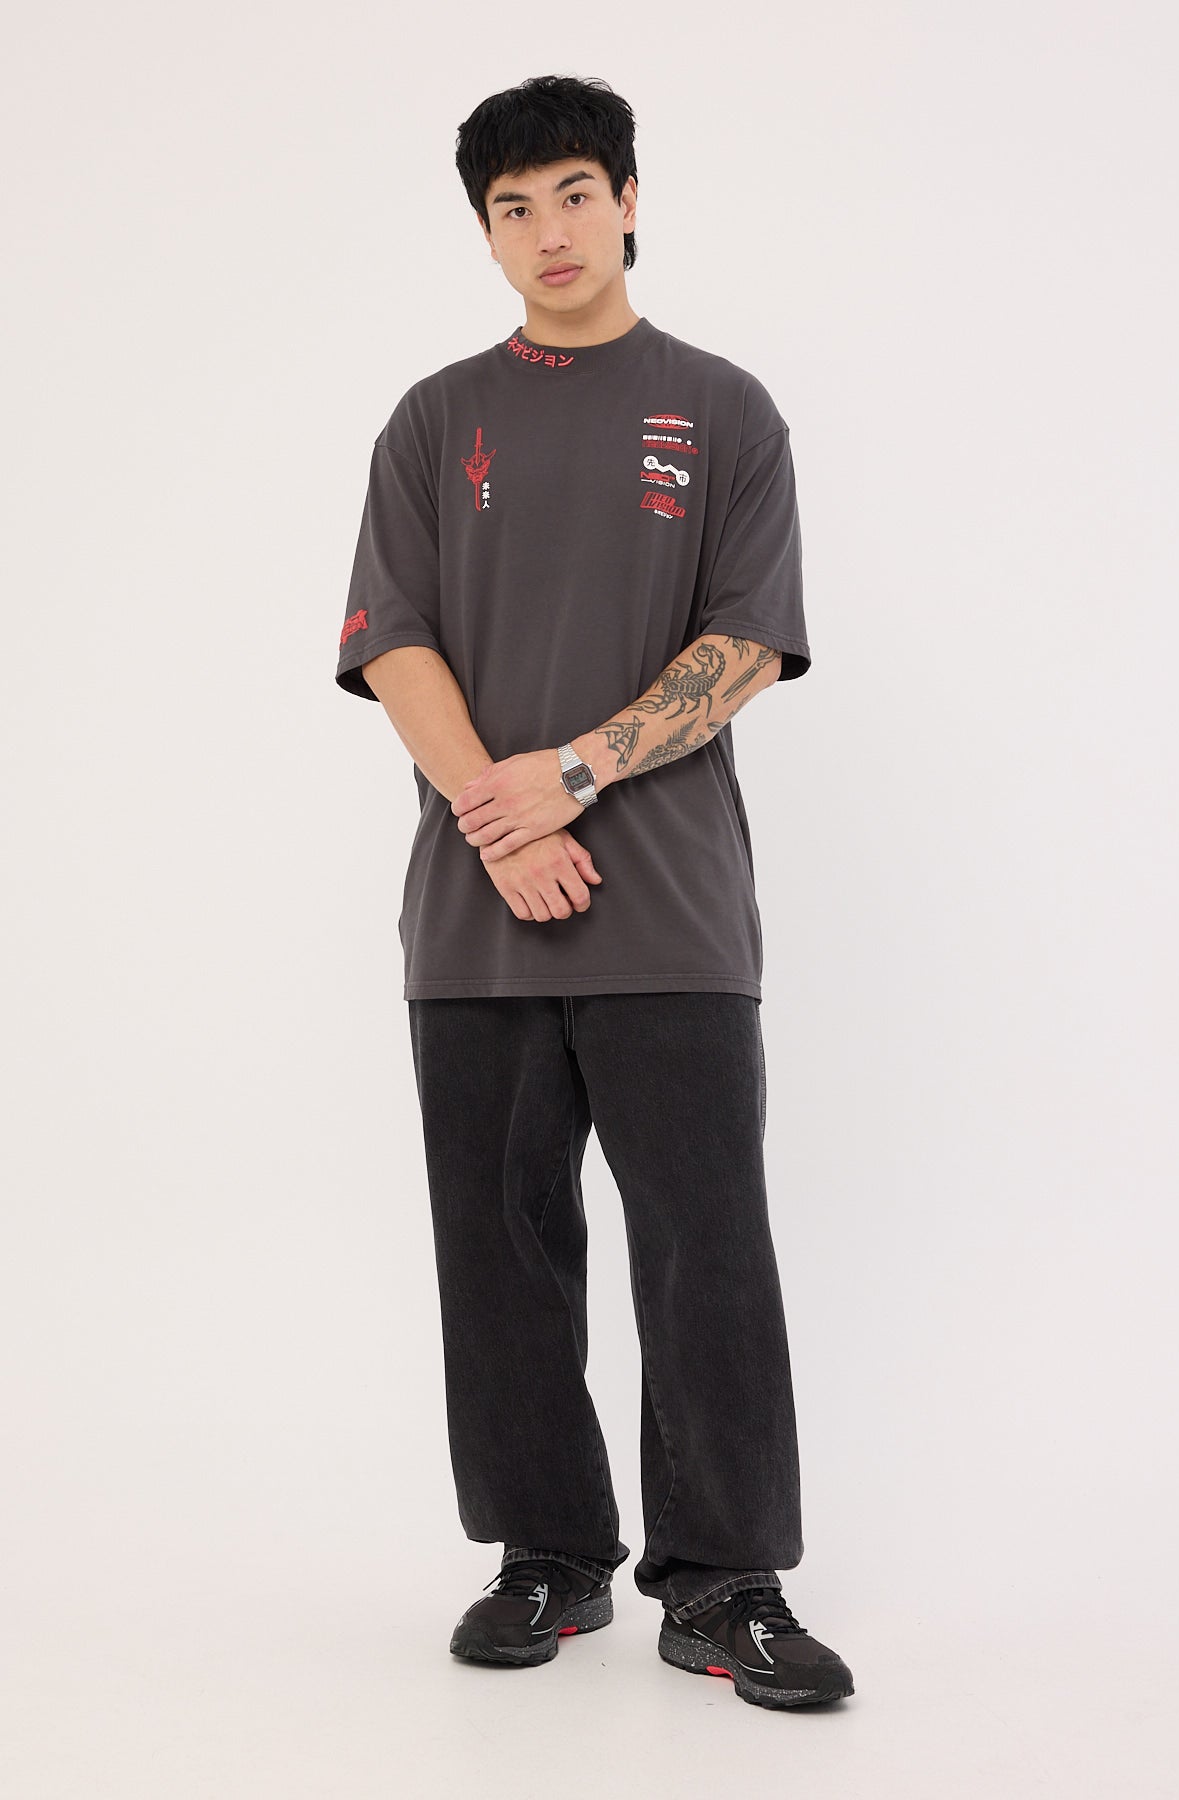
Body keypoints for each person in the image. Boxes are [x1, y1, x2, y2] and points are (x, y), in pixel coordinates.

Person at [334, 72, 854, 1711]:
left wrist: (575, 772)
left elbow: (746, 642)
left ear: (627, 201)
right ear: (483, 232)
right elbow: (393, 643)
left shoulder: (722, 409)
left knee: (706, 1247)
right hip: (473, 918)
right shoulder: (433, 421)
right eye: (512, 207)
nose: (548, 230)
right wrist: (504, 823)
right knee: (498, 1246)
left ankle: (725, 1582)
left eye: (573, 192)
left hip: (672, 909)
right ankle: (546, 1556)